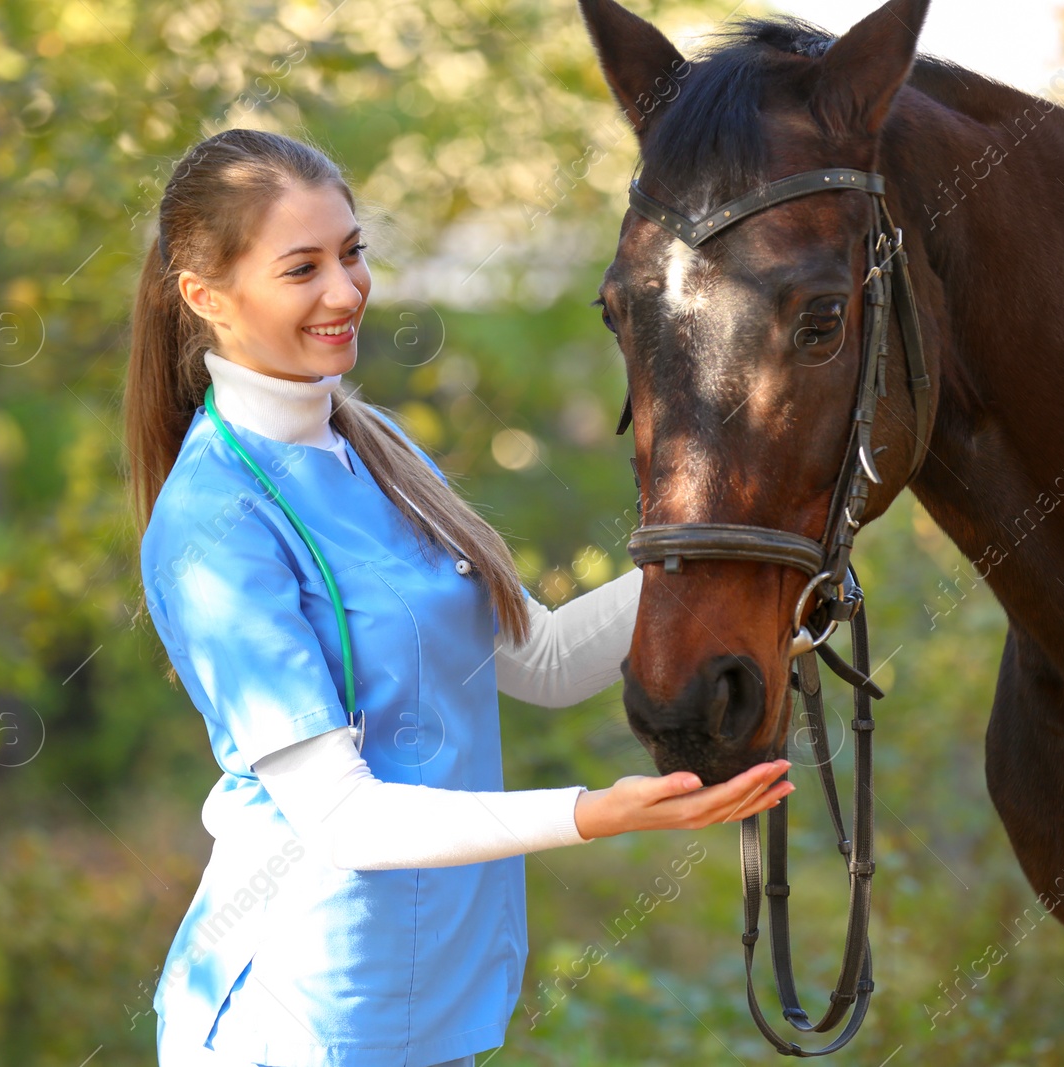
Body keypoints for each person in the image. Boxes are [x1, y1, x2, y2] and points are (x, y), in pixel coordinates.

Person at [123, 128, 794, 1067]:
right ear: (206, 297)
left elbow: (543, 659)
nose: (346, 291)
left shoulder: (377, 446)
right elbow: (343, 818)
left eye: (353, 253)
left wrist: (737, 563)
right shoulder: (214, 521)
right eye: (302, 267)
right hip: (300, 1015)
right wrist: (597, 811)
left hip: (438, 1003)